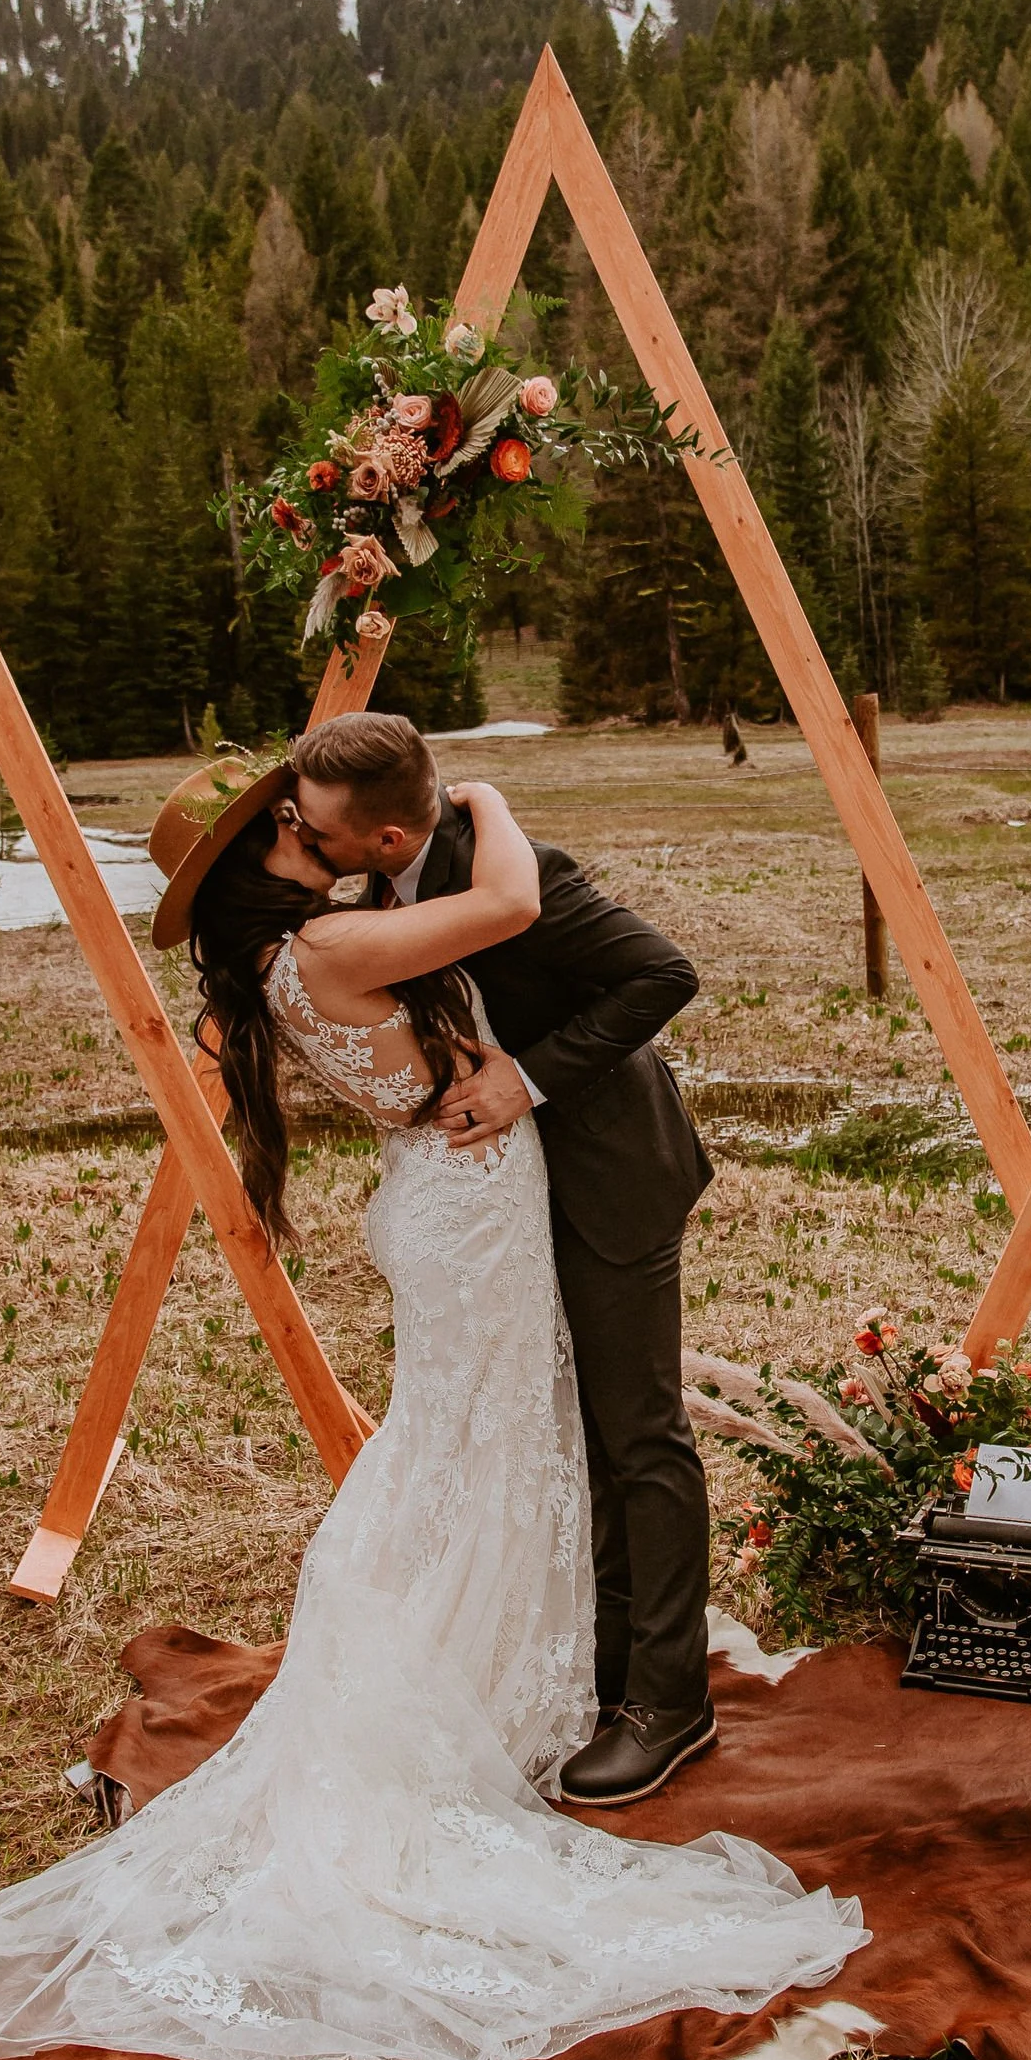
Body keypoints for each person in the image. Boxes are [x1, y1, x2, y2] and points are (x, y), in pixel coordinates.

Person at [0, 752, 859, 2060]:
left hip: (573, 1174)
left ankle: (644, 1692)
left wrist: (526, 1068)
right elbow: (502, 912)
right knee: (496, 1451)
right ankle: (545, 1677)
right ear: (271, 860)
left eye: (300, 811)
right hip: (475, 1209)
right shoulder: (347, 934)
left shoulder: (320, 940)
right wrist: (498, 806)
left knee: (587, 1439)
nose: (297, 825)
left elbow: (653, 975)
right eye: (278, 824)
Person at [285, 711, 721, 1806]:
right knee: (570, 1427)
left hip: (607, 1170)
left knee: (638, 1430)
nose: (313, 848)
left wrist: (525, 1077)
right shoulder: (381, 894)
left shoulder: (511, 872)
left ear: (388, 840)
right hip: (510, 1202)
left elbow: (662, 974)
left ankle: (671, 1703)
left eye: (325, 834)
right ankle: (599, 1660)